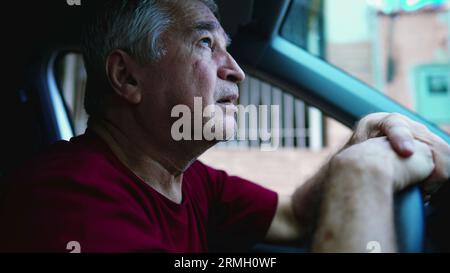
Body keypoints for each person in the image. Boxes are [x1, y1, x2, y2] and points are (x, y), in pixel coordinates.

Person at [0, 0, 449, 253]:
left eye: (227, 48)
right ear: (127, 77)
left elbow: (296, 216)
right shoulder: (64, 200)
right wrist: (363, 175)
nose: (236, 70)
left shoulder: (189, 181)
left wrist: (357, 148)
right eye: (205, 43)